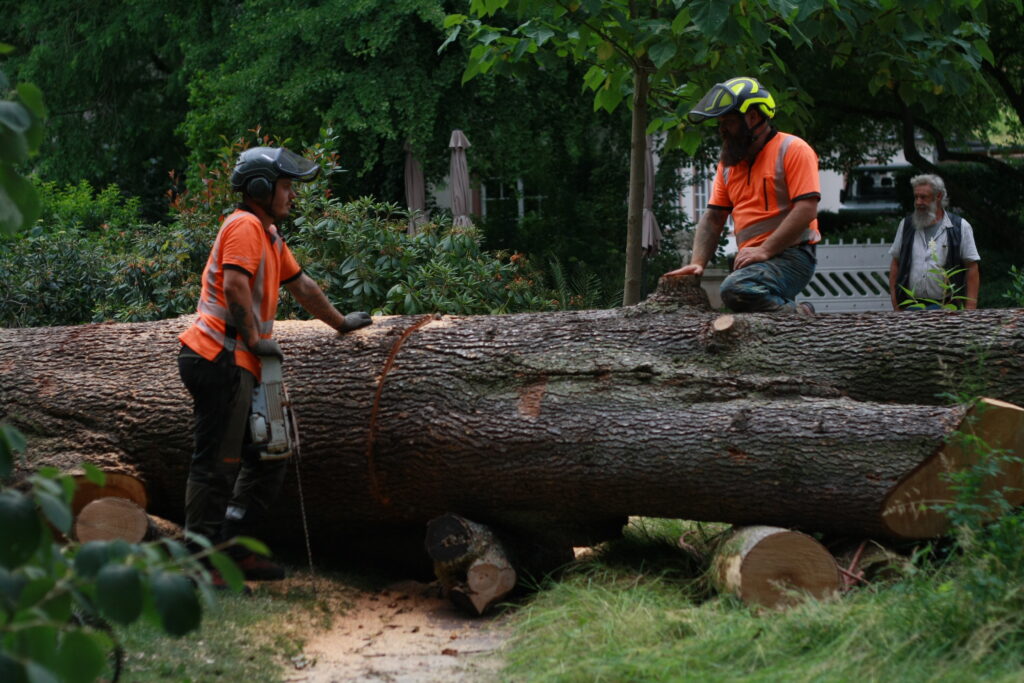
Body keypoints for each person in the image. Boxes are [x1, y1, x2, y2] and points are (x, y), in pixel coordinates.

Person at [177, 146, 372, 582]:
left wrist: (341, 322)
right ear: (260, 188)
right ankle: (201, 563)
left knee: (271, 453)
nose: (291, 195)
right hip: (219, 357)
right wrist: (252, 338)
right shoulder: (244, 225)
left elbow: (301, 285)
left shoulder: (268, 235)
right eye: (285, 186)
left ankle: (235, 546)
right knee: (217, 464)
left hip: (240, 359)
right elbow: (233, 285)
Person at [664, 77, 821, 314]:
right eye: (720, 122)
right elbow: (713, 218)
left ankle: (801, 319)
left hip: (793, 255)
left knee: (737, 288)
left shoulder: (793, 149)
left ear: (753, 117)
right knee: (746, 309)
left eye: (728, 121)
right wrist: (697, 263)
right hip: (752, 260)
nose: (722, 129)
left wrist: (765, 250)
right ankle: (793, 318)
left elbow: (806, 209)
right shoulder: (729, 165)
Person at [887, 174, 980, 310]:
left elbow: (972, 267)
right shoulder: (906, 225)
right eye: (916, 197)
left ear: (939, 196)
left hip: (947, 308)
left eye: (923, 197)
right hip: (910, 307)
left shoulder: (960, 227)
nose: (918, 202)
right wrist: (896, 305)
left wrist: (970, 307)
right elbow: (896, 263)